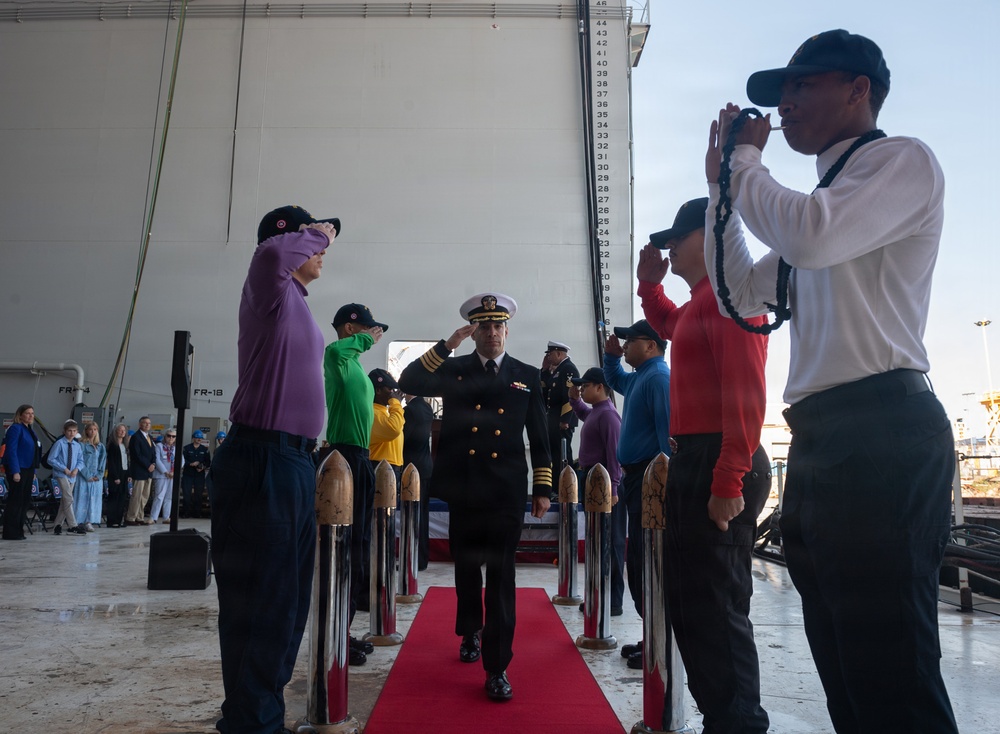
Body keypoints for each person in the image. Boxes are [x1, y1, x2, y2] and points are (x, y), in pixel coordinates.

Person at [704, 30, 957, 733]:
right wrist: (722, 192)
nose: (783, 104)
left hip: (884, 431)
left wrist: (745, 162)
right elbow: (739, 296)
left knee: (892, 673)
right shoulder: (816, 204)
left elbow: (811, 236)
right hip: (823, 441)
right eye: (779, 92)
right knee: (847, 670)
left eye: (801, 86)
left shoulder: (898, 163)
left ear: (858, 90)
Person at [638, 197, 770, 732]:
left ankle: (739, 723)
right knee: (693, 606)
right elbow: (673, 325)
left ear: (707, 237)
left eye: (676, 238)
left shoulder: (732, 296)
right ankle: (722, 717)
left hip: (720, 456)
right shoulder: (702, 301)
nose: (668, 248)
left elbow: (746, 391)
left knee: (716, 609)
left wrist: (728, 477)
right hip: (697, 456)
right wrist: (649, 288)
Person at [208, 204, 338, 734]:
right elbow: (272, 251)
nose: (323, 252)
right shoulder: (269, 285)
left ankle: (251, 712)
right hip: (263, 458)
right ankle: (255, 719)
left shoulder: (295, 302)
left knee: (279, 599)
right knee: (264, 600)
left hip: (288, 461)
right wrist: (320, 229)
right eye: (314, 245)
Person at [398, 292, 552, 702]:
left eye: (498, 326)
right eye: (483, 326)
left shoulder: (526, 375)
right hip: (464, 488)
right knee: (468, 570)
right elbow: (409, 381)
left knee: (502, 579)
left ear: (507, 330)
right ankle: (470, 631)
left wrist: (542, 487)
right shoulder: (456, 368)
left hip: (504, 491)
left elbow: (540, 434)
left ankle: (498, 666)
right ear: (474, 331)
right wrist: (448, 345)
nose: (491, 333)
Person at [323, 302, 388, 666]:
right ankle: (336, 633)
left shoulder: (358, 371)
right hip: (343, 458)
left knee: (357, 551)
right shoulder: (339, 359)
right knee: (343, 551)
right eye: (367, 329)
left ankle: (342, 630)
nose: (373, 334)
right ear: (351, 329)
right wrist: (364, 342)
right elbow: (333, 349)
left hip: (359, 459)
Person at [602, 319, 671, 668]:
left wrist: (661, 485)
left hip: (649, 477)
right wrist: (611, 358)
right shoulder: (643, 376)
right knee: (640, 560)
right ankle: (651, 636)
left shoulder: (658, 378)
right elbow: (615, 380)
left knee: (649, 561)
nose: (625, 345)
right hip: (636, 479)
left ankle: (658, 641)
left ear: (652, 345)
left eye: (631, 341)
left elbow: (667, 436)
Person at [567, 367, 623, 616]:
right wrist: (574, 399)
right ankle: (599, 596)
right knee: (597, 540)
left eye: (586, 386)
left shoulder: (609, 416)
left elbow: (614, 455)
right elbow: (585, 414)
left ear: (600, 387)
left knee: (609, 543)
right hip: (592, 479)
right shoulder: (599, 412)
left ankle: (612, 601)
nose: (582, 389)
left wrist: (614, 487)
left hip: (604, 484)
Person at [402, 393, 434, 570]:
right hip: (425, 467)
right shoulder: (426, 408)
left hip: (412, 469)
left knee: (413, 516)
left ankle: (416, 559)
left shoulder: (410, 410)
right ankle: (422, 557)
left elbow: (402, 438)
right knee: (423, 515)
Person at [2, 404, 42, 541]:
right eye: (27, 413)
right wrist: (15, 471)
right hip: (19, 468)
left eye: (32, 413)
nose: (31, 416)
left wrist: (34, 470)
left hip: (29, 468)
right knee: (16, 501)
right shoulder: (15, 429)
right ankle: (10, 532)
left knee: (24, 501)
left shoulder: (30, 430)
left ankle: (19, 530)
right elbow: (11, 451)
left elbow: (34, 451)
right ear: (20, 415)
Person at [540, 341, 579, 473]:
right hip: (553, 420)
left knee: (563, 455)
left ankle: (566, 487)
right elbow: (546, 390)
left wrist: (565, 419)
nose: (548, 357)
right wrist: (544, 371)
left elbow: (569, 397)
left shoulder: (568, 370)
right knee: (555, 456)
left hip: (562, 422)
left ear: (559, 353)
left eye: (550, 354)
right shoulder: (557, 370)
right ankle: (556, 488)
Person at [368, 368, 405, 487]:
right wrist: (396, 403)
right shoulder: (373, 413)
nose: (393, 392)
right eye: (389, 389)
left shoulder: (385, 412)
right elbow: (393, 429)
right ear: (378, 390)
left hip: (390, 466)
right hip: (379, 466)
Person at [50, 419, 86, 536]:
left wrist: (76, 469)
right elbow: (51, 459)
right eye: (69, 431)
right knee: (69, 498)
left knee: (65, 500)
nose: (71, 433)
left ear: (77, 432)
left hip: (72, 476)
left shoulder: (77, 445)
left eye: (74, 431)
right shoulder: (59, 443)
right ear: (64, 431)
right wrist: (63, 468)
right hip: (62, 474)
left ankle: (57, 525)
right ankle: (73, 525)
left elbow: (81, 460)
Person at [74, 421, 107, 533]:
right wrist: (87, 475)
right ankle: (80, 522)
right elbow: (79, 461)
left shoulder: (100, 446)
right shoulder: (81, 444)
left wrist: (99, 475)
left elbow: (102, 461)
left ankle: (90, 521)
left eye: (95, 429)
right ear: (86, 431)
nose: (92, 431)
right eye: (90, 429)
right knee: (83, 498)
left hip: (97, 479)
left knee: (94, 499)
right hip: (84, 477)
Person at [126, 416, 156, 525]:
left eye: (149, 423)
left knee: (144, 496)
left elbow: (153, 453)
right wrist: (147, 465)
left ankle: (140, 516)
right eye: (145, 423)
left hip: (149, 472)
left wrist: (153, 463)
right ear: (140, 424)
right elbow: (137, 455)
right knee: (136, 496)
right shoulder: (136, 437)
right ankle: (131, 517)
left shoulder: (150, 438)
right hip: (139, 471)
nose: (147, 425)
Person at [151, 429, 180, 524]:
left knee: (169, 497)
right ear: (165, 436)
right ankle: (153, 517)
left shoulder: (177, 448)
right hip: (161, 475)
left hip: (172, 475)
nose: (171, 438)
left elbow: (181, 460)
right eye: (169, 435)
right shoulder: (159, 446)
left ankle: (166, 517)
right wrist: (165, 472)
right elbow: (157, 460)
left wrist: (174, 472)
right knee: (159, 496)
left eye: (173, 436)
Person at [181, 430, 211, 518]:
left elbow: (208, 462)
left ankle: (197, 513)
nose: (199, 439)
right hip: (188, 474)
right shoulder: (186, 448)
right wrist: (190, 464)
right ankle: (186, 513)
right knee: (187, 494)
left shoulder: (205, 450)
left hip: (199, 475)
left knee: (198, 495)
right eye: (197, 437)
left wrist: (202, 467)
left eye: (200, 438)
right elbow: (182, 460)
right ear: (193, 438)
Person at [105, 423, 130, 528]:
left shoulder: (125, 445)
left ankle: (119, 520)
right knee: (114, 498)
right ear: (116, 432)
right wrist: (115, 477)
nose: (122, 432)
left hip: (124, 474)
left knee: (122, 498)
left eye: (124, 430)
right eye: (120, 430)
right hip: (116, 475)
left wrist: (129, 475)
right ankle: (111, 521)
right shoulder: (112, 445)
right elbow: (111, 462)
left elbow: (127, 461)